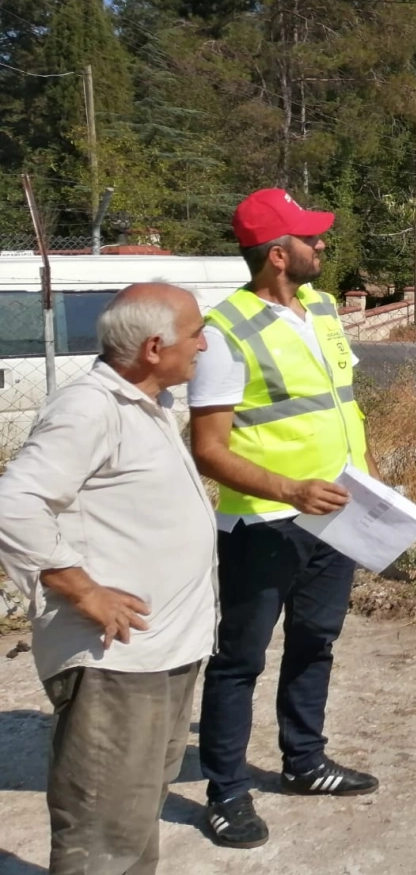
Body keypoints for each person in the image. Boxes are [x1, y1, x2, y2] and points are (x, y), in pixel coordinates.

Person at [0, 283, 215, 875]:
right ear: (153, 347)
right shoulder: (89, 408)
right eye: (195, 331)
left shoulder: (147, 403)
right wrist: (83, 589)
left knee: (133, 815)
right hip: (115, 663)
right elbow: (14, 503)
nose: (203, 342)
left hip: (161, 653)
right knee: (101, 832)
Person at [190, 189, 381, 850]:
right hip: (265, 524)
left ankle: (304, 763)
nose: (322, 245)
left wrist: (365, 482)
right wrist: (289, 489)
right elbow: (208, 448)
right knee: (239, 661)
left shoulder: (324, 309)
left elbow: (339, 404)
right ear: (278, 255)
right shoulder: (222, 333)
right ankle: (226, 795)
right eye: (310, 238)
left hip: (336, 516)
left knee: (315, 644)